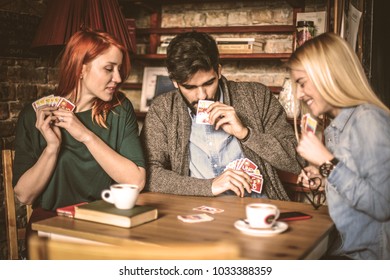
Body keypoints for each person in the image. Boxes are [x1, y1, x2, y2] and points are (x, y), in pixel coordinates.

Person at [141, 31, 302, 200]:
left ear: (218, 71)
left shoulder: (257, 96)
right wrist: (210, 186)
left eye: (209, 83)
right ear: (175, 82)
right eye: (190, 87)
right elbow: (150, 174)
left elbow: (296, 160)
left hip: (257, 209)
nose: (202, 95)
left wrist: (246, 134)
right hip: (198, 211)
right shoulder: (163, 109)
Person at [13, 29, 146, 230]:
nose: (118, 78)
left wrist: (85, 135)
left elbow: (136, 181)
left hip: (104, 223)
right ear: (80, 69)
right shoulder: (36, 114)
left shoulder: (120, 108)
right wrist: (52, 148)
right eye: (109, 69)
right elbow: (24, 195)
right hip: (50, 225)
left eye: (119, 69)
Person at [289, 32, 390, 259]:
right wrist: (323, 175)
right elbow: (359, 183)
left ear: (328, 75)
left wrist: (327, 162)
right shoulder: (338, 126)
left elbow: (383, 205)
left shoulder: (368, 120)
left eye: (302, 83)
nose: (298, 94)